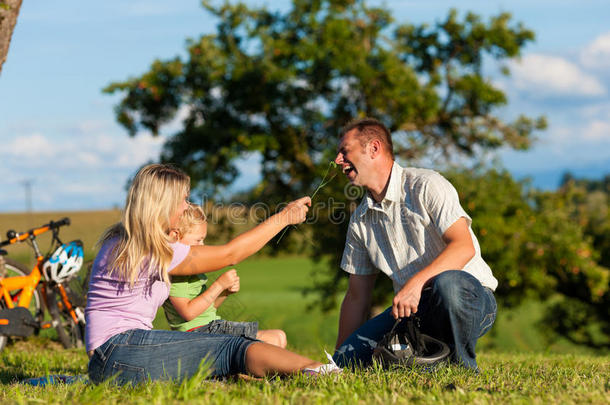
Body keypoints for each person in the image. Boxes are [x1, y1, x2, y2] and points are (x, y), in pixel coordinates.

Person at [85, 164, 340, 385]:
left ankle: (307, 371)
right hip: (120, 351)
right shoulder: (148, 249)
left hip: (115, 356)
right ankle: (318, 370)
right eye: (183, 200)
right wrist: (284, 218)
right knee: (232, 347)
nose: (186, 207)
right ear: (163, 205)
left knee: (223, 352)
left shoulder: (127, 242)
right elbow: (231, 254)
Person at [332, 118, 498, 371]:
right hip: (414, 315)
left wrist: (416, 283)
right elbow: (357, 297)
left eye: (345, 151)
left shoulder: (427, 185)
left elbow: (463, 247)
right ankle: (420, 356)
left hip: (469, 298)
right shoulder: (359, 221)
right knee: (349, 359)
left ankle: (461, 369)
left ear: (374, 148)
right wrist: (338, 362)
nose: (338, 160)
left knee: (448, 284)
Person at [162, 203, 287, 347]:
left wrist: (224, 292)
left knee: (279, 336)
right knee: (275, 339)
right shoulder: (178, 274)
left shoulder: (192, 270)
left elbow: (206, 309)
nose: (202, 245)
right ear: (175, 237)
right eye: (198, 240)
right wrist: (218, 285)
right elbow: (188, 312)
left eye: (203, 239)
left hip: (209, 326)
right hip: (198, 333)